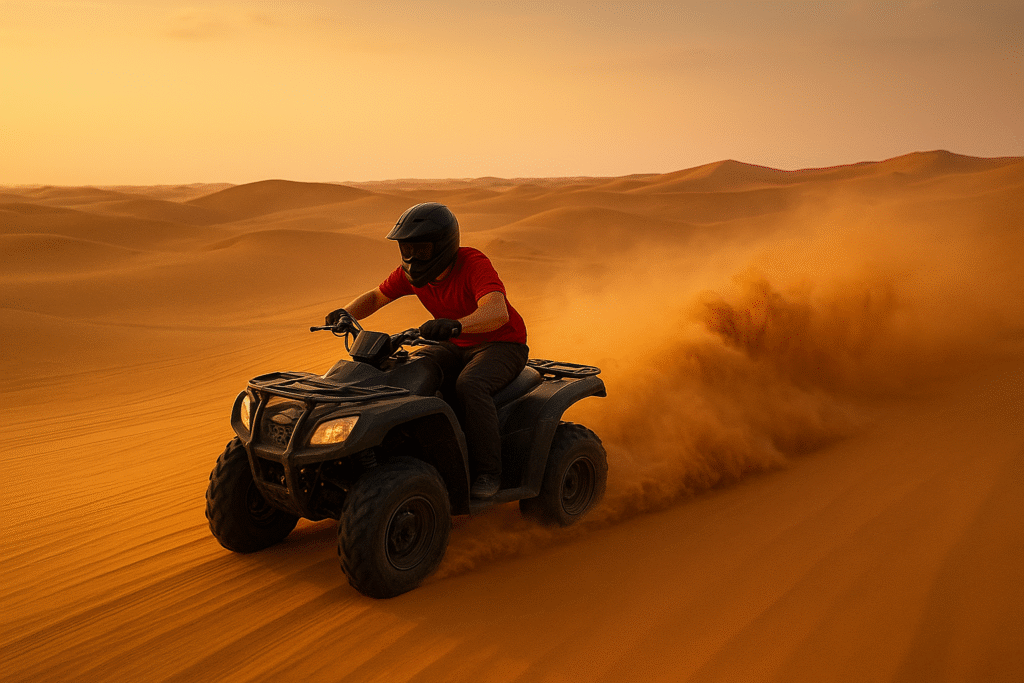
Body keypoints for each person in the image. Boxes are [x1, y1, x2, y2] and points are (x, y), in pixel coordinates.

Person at [325, 202, 529, 499]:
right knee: (408, 372)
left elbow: (497, 312)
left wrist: (456, 326)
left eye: (420, 249)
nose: (412, 257)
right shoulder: (409, 276)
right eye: (406, 250)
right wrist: (346, 313)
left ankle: (489, 472)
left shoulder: (472, 263)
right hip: (454, 346)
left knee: (470, 385)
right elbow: (375, 296)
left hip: (502, 344)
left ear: (443, 245)